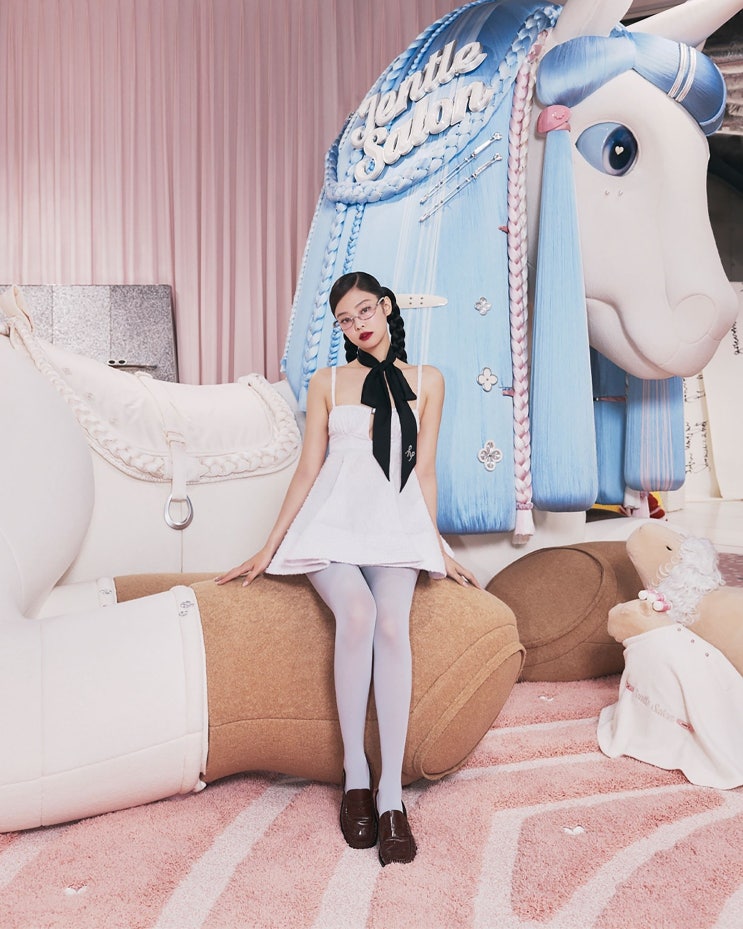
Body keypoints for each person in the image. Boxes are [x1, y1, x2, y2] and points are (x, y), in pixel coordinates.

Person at [216, 270, 479, 866]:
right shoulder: (327, 383)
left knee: (392, 625)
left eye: (364, 311)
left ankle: (390, 797)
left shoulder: (428, 380)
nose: (357, 324)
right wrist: (268, 548)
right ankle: (355, 775)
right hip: (330, 524)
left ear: (385, 307)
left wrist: (436, 545)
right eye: (345, 319)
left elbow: (424, 471)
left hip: (395, 525)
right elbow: (309, 469)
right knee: (357, 613)